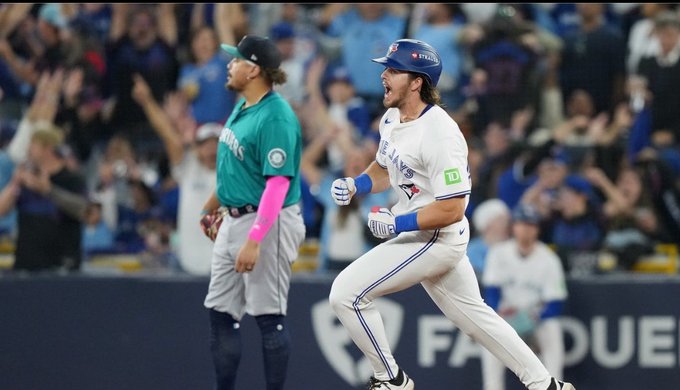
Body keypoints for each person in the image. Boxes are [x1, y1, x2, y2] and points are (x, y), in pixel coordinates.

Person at [327, 38, 575, 390]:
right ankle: (546, 385)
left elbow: (453, 208)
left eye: (394, 70)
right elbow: (384, 166)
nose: (384, 74)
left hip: (436, 235)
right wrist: (358, 185)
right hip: (423, 230)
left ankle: (391, 379)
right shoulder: (391, 117)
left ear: (417, 82)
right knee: (477, 318)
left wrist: (397, 223)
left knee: (346, 294)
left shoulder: (441, 134)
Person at [200, 35, 306, 390]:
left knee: (268, 317)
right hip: (234, 218)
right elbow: (237, 168)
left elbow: (277, 184)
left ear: (254, 69)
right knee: (220, 313)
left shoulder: (276, 116)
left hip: (267, 221)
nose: (229, 64)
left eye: (236, 60)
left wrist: (255, 239)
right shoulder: (244, 105)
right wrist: (211, 207)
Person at [481, 203, 569, 390]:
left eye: (530, 224)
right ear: (514, 227)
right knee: (488, 335)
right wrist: (500, 315)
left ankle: (553, 385)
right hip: (507, 316)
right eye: (522, 223)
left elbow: (555, 302)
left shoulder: (549, 258)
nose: (526, 229)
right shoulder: (499, 253)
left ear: (537, 229)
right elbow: (492, 293)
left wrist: (535, 318)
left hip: (535, 317)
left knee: (552, 329)